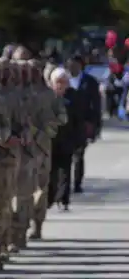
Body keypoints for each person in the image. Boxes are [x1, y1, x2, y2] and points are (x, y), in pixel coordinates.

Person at [48, 67, 84, 211]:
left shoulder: (74, 96)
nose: (61, 84)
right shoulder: (48, 97)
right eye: (58, 81)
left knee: (65, 171)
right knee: (50, 171)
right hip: (50, 140)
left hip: (67, 139)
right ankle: (49, 198)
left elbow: (78, 119)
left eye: (64, 81)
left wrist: (79, 139)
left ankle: (63, 199)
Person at [65, 54, 101, 193]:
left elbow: (96, 104)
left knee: (79, 154)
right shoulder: (63, 80)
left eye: (75, 65)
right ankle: (64, 184)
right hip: (65, 123)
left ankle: (77, 183)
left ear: (80, 66)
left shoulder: (90, 82)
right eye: (70, 65)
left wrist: (95, 124)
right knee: (66, 154)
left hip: (82, 123)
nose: (72, 67)